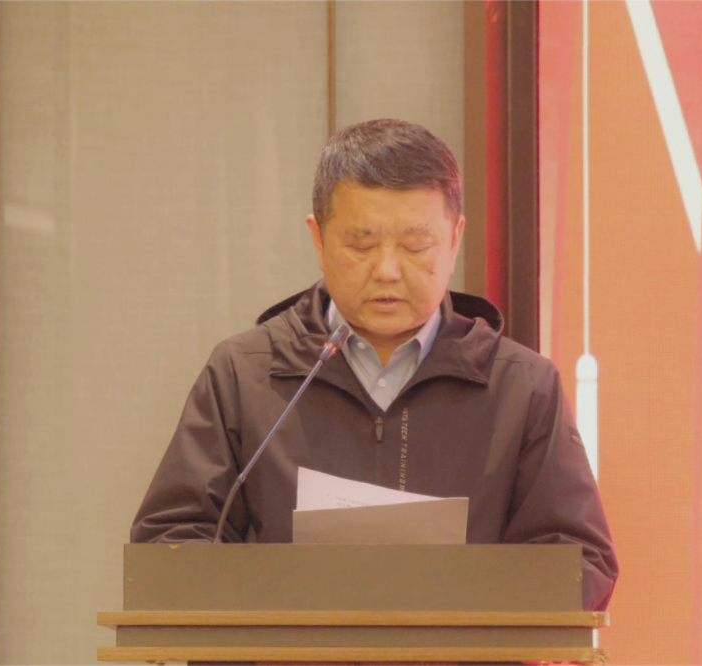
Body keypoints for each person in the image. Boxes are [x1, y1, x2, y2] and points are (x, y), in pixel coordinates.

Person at [130, 119, 618, 610]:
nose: (387, 270)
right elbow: (170, 542)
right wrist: (283, 601)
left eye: (415, 245)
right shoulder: (244, 374)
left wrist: (458, 603)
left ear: (454, 239)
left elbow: (578, 562)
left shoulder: (522, 386)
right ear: (318, 240)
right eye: (361, 245)